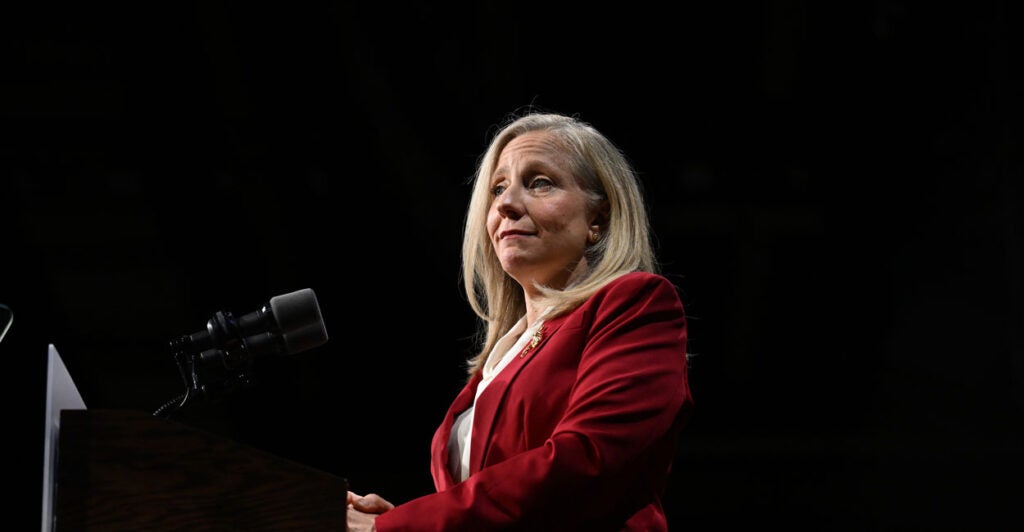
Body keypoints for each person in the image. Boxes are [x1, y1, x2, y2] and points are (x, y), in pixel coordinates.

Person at [347, 109, 694, 531]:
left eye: (539, 183)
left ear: (598, 220)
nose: (507, 204)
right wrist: (406, 519)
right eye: (497, 189)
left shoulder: (635, 303)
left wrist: (402, 527)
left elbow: (585, 460)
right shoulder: (500, 356)